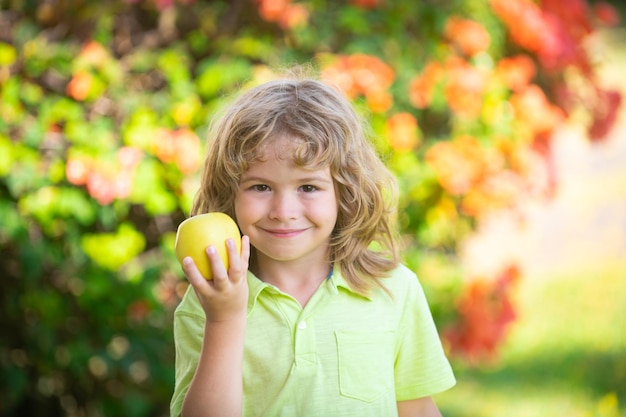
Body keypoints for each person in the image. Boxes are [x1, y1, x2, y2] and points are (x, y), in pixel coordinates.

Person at [170, 70, 456, 417]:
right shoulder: (208, 301)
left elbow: (418, 408)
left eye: (308, 187)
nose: (283, 212)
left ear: (345, 193)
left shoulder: (393, 289)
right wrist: (224, 320)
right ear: (230, 194)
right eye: (260, 187)